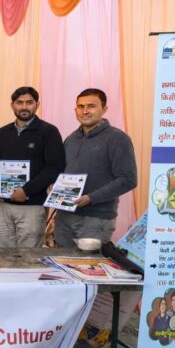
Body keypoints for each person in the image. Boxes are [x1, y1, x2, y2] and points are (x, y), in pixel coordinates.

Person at [54, 89, 137, 247]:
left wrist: (91, 198)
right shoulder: (71, 139)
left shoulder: (118, 139)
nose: (85, 111)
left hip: (96, 219)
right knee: (62, 262)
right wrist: (54, 185)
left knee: (89, 262)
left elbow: (128, 179)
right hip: (64, 217)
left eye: (91, 106)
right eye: (81, 106)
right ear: (75, 110)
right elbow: (62, 172)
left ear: (104, 109)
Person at [0, 86, 65, 248]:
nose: (24, 107)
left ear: (37, 104)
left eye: (29, 102)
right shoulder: (2, 132)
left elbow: (54, 167)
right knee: (3, 254)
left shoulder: (49, 131)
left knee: (28, 256)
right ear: (12, 105)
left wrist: (26, 190)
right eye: (19, 102)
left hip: (32, 207)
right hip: (3, 205)